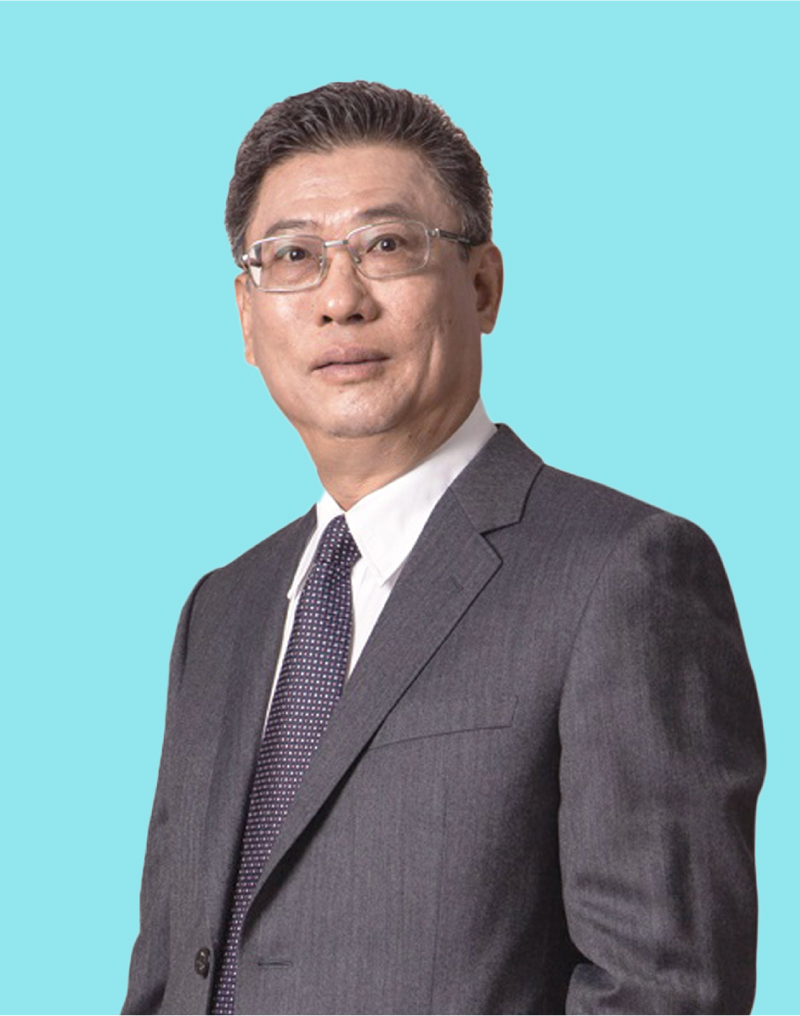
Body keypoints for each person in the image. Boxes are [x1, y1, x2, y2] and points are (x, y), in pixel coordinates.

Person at [123, 81, 765, 1016]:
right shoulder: (218, 611)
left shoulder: (622, 573)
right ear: (247, 319)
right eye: (294, 256)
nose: (340, 300)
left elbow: (666, 992)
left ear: (483, 286)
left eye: (386, 245)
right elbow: (167, 975)